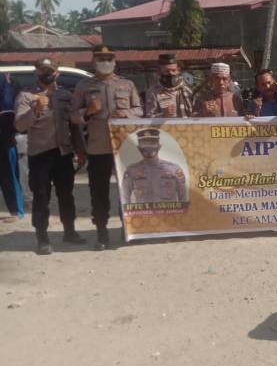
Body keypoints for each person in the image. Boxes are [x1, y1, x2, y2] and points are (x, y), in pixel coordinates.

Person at [71, 45, 143, 250]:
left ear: (114, 61)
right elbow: (73, 116)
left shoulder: (127, 85)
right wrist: (88, 111)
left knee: (126, 191)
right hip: (97, 148)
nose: (105, 61)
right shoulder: (83, 86)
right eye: (100, 58)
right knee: (99, 193)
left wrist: (126, 114)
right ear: (93, 61)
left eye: (108, 58)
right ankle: (102, 233)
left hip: (123, 148)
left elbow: (139, 110)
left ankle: (126, 229)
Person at [14, 58, 86, 254]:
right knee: (41, 197)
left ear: (57, 73)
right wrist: (34, 110)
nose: (47, 74)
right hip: (40, 155)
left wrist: (80, 150)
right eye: (42, 70)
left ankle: (70, 232)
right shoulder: (26, 96)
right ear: (36, 73)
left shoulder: (65, 95)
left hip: (63, 154)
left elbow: (74, 125)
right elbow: (20, 125)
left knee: (66, 195)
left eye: (50, 70)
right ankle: (42, 239)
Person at [121, 129, 188, 204]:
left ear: (159, 146)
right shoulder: (132, 171)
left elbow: (183, 198)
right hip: (143, 214)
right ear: (139, 148)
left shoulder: (174, 169)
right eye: (145, 144)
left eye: (152, 143)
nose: (148, 148)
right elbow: (125, 198)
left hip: (169, 214)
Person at [0, 72, 24, 223]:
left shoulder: (3, 80)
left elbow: (8, 110)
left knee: (9, 175)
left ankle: (16, 211)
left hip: (4, 138)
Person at [144, 53, 193, 118]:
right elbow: (149, 117)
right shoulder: (153, 92)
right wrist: (164, 114)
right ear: (159, 72)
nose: (171, 74)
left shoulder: (188, 89)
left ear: (178, 71)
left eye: (173, 70)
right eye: (167, 71)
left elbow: (196, 112)